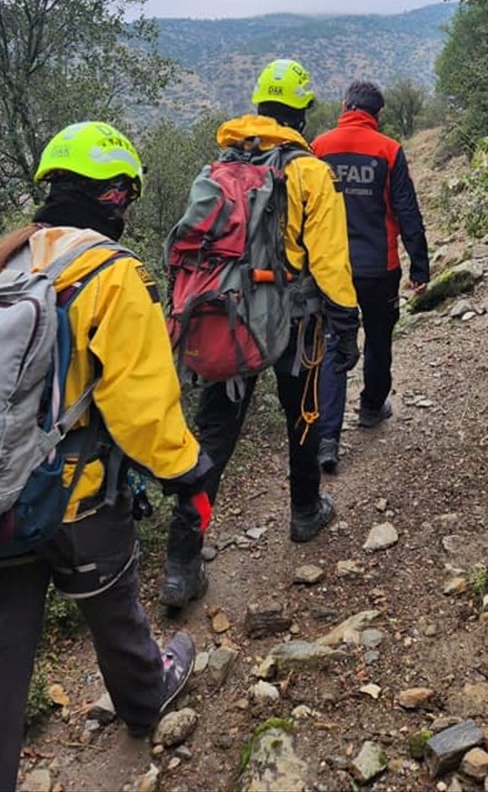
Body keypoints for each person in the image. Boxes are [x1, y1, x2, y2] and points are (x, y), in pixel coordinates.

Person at [0, 121, 212, 792]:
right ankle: (147, 698)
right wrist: (186, 468)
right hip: (78, 493)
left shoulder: (1, 262)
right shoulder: (114, 275)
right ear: (115, 196)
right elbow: (140, 403)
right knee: (114, 605)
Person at [159, 59, 360, 610]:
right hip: (295, 323)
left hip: (228, 318)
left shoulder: (221, 165)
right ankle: (304, 512)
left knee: (214, 437)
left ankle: (181, 563)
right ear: (301, 109)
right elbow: (330, 260)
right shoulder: (308, 170)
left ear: (257, 105)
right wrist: (347, 322)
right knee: (303, 417)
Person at [311, 81, 429, 471]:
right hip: (379, 268)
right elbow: (407, 211)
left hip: (330, 269)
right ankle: (371, 407)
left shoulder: (319, 147)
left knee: (332, 346)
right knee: (379, 338)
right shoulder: (389, 150)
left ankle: (327, 439)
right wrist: (420, 266)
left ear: (345, 105)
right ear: (377, 114)